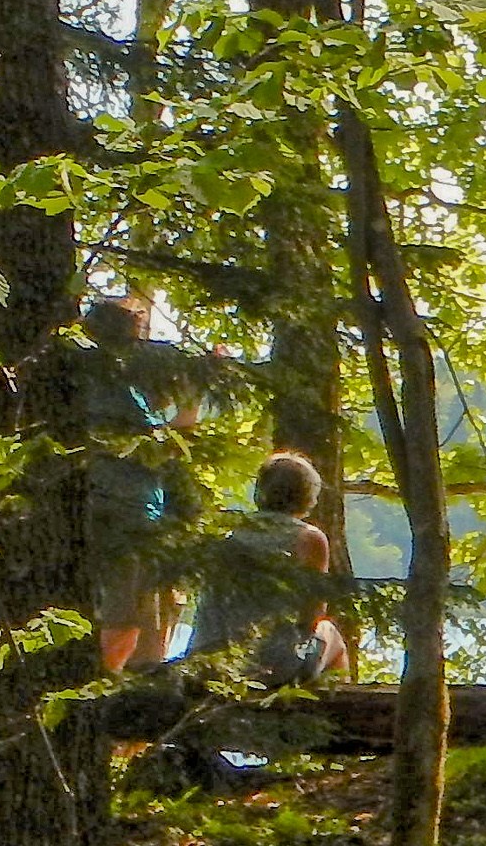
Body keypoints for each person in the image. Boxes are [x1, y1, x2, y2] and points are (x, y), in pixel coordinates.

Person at [82, 294, 195, 671]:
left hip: (127, 512)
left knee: (142, 629)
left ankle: (121, 705)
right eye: (138, 334)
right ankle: (95, 691)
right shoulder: (112, 389)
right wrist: (190, 405)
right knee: (124, 621)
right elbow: (156, 449)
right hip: (124, 516)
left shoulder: (111, 385)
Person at [187, 451, 346, 686]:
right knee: (331, 635)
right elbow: (311, 615)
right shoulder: (307, 539)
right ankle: (332, 712)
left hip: (207, 661)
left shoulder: (229, 533)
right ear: (308, 496)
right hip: (268, 666)